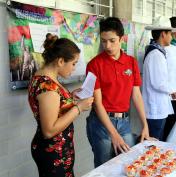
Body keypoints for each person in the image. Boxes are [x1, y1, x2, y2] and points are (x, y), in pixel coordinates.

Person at [86, 17, 152, 167]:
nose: (107, 46)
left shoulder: (131, 62)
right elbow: (97, 104)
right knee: (104, 168)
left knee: (128, 165)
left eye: (112, 40)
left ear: (122, 39)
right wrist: (113, 135)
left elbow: (136, 95)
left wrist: (145, 125)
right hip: (102, 123)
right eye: (103, 41)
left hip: (124, 122)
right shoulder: (94, 65)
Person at [28, 34, 94, 177]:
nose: (74, 68)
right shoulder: (48, 88)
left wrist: (70, 97)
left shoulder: (44, 77)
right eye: (74, 63)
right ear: (61, 61)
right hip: (53, 152)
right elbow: (49, 130)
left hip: (56, 149)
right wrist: (78, 108)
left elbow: (56, 106)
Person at [142, 16, 175, 140]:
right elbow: (158, 83)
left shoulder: (157, 52)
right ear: (163, 34)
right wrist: (172, 90)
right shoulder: (156, 54)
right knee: (154, 143)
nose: (171, 37)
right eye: (170, 34)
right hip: (155, 107)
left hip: (157, 105)